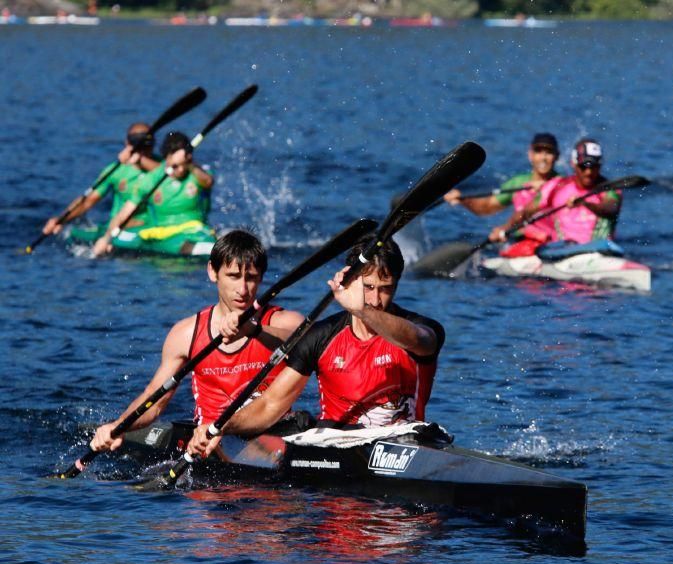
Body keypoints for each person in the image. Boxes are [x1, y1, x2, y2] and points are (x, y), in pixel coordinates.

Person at [186, 234, 445, 457]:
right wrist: (219, 427)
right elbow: (270, 406)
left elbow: (419, 341)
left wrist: (363, 310)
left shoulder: (418, 329)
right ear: (351, 281)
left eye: (386, 289)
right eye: (368, 287)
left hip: (401, 448)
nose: (376, 299)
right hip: (337, 452)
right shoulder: (321, 337)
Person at [89, 230, 304, 453]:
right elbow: (154, 400)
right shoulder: (186, 334)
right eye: (232, 276)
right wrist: (118, 426)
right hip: (205, 443)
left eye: (250, 278)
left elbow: (304, 340)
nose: (242, 289)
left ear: (261, 277)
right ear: (213, 272)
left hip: (274, 435)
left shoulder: (284, 322)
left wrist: (254, 330)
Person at [93, 131, 215, 255]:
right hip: (164, 234)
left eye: (184, 165)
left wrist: (189, 164)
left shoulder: (197, 173)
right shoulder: (151, 180)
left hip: (196, 230)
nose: (181, 169)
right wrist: (106, 239)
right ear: (166, 157)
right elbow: (124, 214)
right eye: (176, 166)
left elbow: (209, 182)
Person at [498, 138, 622, 259]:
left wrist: (585, 203)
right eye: (584, 166)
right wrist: (504, 229)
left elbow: (611, 209)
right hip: (561, 254)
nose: (588, 172)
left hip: (600, 253)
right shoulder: (556, 186)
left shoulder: (608, 188)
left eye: (594, 166)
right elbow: (525, 213)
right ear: (573, 163)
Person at [42, 123, 160, 236]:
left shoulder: (169, 167)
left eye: (148, 144)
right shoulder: (116, 171)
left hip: (155, 227)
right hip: (122, 227)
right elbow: (88, 201)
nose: (144, 148)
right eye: (138, 143)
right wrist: (61, 220)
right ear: (127, 143)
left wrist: (140, 160)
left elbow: (169, 175)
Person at [443, 133, 560, 239]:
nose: (543, 158)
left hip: (553, 242)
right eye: (538, 151)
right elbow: (486, 207)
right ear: (530, 155)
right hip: (521, 243)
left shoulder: (562, 184)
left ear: (557, 156)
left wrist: (505, 229)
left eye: (549, 152)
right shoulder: (519, 182)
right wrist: (463, 199)